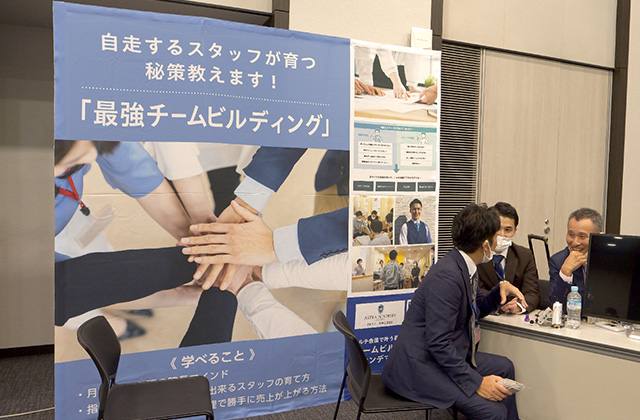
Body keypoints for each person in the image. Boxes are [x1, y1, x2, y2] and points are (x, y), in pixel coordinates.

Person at [382, 204, 526, 420]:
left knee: (504, 366)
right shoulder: (447, 277)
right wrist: (478, 383)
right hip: (420, 367)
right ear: (485, 244)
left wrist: (499, 290)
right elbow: (438, 343)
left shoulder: (465, 264)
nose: (499, 241)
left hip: (442, 355)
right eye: (496, 236)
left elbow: (478, 308)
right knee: (494, 413)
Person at [477, 202, 540, 312]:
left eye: (508, 230)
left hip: (512, 318)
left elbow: (532, 293)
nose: (501, 235)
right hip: (485, 314)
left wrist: (519, 306)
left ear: (515, 230)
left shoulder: (524, 255)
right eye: (497, 228)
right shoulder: (477, 254)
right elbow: (475, 291)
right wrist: (500, 301)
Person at [549, 207, 604, 311]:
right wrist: (565, 273)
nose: (575, 242)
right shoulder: (558, 261)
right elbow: (555, 306)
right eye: (571, 235)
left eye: (582, 236)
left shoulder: (610, 260)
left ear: (599, 237)